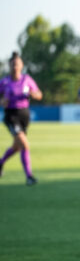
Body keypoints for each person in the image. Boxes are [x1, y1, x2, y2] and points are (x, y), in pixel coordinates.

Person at [0, 52, 42, 185]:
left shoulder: (27, 79)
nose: (15, 66)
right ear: (9, 66)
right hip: (11, 115)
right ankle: (29, 176)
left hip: (24, 115)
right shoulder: (5, 82)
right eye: (12, 64)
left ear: (22, 65)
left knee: (17, 147)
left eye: (17, 64)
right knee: (24, 144)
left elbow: (39, 94)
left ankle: (0, 163)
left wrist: (33, 94)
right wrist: (2, 101)